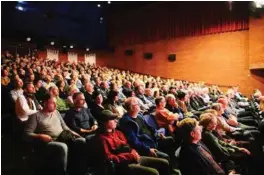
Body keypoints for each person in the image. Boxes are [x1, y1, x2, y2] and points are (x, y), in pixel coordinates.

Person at [24, 94, 86, 175]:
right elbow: (26, 133)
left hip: (63, 137)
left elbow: (64, 126)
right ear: (45, 103)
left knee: (82, 140)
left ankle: (79, 170)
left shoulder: (56, 112)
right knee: (62, 146)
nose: (55, 105)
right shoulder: (35, 116)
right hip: (49, 142)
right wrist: (40, 135)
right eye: (53, 103)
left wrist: (75, 133)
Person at [96, 110, 170, 175]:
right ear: (105, 123)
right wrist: (130, 156)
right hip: (123, 165)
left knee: (164, 163)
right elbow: (109, 158)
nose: (116, 121)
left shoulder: (118, 133)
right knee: (154, 173)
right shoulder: (102, 139)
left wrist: (133, 152)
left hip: (133, 157)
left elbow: (128, 146)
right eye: (112, 119)